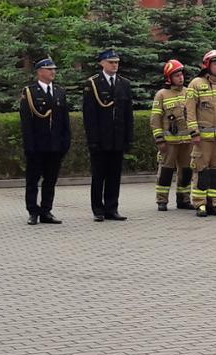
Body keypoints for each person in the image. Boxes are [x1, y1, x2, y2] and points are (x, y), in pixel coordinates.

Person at [18, 57, 70, 224]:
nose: (53, 72)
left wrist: (65, 142)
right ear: (40, 72)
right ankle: (33, 211)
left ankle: (46, 210)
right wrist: (29, 145)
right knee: (33, 180)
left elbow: (64, 121)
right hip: (37, 146)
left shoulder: (60, 92)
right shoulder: (30, 92)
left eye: (54, 69)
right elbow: (26, 122)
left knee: (50, 180)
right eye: (49, 69)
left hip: (55, 145)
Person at [82, 49, 132, 222]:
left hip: (117, 139)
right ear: (102, 63)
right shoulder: (93, 84)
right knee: (99, 175)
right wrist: (93, 140)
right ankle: (98, 209)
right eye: (111, 62)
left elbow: (127, 115)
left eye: (116, 62)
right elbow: (89, 116)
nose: (115, 65)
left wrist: (127, 138)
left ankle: (112, 208)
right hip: (101, 140)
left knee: (114, 175)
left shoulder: (124, 84)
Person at [186, 50, 216, 217]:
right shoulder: (196, 84)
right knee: (201, 170)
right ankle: (200, 204)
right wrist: (194, 132)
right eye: (215, 63)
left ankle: (213, 203)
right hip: (203, 139)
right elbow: (190, 111)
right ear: (207, 65)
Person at [151, 60, 192, 211]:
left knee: (186, 171)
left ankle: (184, 199)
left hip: (187, 141)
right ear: (169, 78)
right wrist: (159, 139)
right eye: (176, 75)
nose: (180, 78)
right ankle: (162, 200)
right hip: (169, 142)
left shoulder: (188, 93)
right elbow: (155, 119)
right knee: (166, 171)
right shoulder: (161, 95)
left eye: (181, 74)